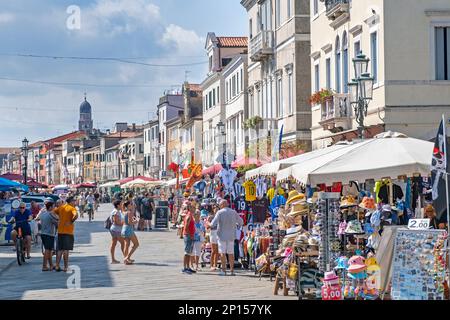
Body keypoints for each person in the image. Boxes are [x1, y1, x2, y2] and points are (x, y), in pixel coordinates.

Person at [211, 199, 243, 276]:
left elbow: (213, 224)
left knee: (222, 253)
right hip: (231, 236)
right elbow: (241, 222)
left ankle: (224, 270)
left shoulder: (219, 212)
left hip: (221, 236)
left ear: (221, 205)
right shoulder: (233, 212)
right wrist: (236, 226)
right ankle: (232, 271)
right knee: (231, 253)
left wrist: (208, 224)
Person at [53, 196, 78, 272]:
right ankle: (66, 267)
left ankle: (57, 265)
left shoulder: (61, 207)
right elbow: (76, 215)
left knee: (60, 250)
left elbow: (54, 212)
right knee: (66, 250)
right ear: (70, 201)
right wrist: (71, 221)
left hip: (60, 231)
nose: (75, 202)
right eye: (74, 201)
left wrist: (59, 220)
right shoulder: (72, 208)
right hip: (68, 232)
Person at [35, 199, 59, 271]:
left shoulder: (43, 213)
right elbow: (57, 222)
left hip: (43, 234)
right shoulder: (51, 214)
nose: (54, 208)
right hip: (49, 234)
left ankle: (51, 265)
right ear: (50, 207)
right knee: (48, 251)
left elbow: (38, 219)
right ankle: (44, 266)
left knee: (49, 250)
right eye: (53, 206)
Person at [182, 201, 196, 274]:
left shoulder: (190, 215)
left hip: (189, 235)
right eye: (193, 207)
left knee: (189, 252)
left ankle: (188, 267)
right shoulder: (189, 216)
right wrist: (190, 235)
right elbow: (186, 227)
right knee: (187, 252)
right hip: (188, 235)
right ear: (190, 208)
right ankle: (184, 267)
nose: (194, 209)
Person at [110, 200, 125, 264]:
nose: (122, 205)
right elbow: (116, 222)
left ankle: (113, 259)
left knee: (114, 244)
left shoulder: (116, 211)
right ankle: (126, 258)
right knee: (123, 243)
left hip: (114, 229)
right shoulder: (116, 212)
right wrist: (125, 223)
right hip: (117, 230)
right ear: (118, 205)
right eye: (121, 204)